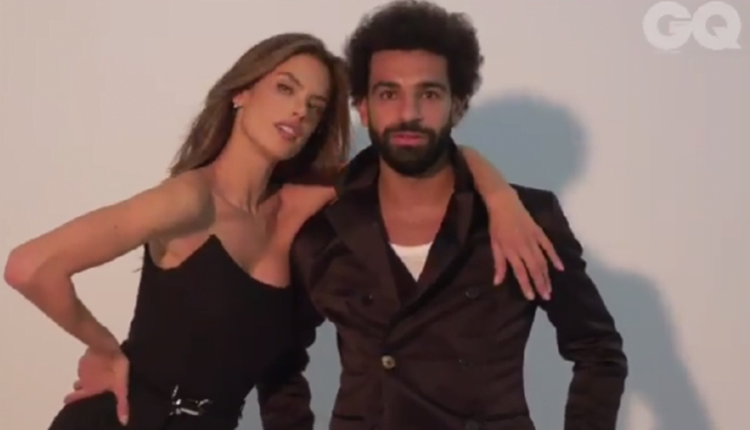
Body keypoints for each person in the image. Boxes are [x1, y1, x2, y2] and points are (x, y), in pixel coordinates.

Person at [3, 31, 561, 430]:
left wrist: (501, 198)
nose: (299, 111)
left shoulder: (297, 208)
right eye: (285, 89)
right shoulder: (191, 200)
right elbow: (29, 267)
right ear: (242, 92)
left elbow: (419, 156)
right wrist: (105, 349)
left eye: (314, 106)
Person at [263, 2, 625, 430]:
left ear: (458, 105)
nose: (408, 113)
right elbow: (278, 361)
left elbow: (597, 350)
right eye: (388, 94)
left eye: (429, 94)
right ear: (363, 107)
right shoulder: (324, 229)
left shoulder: (527, 220)